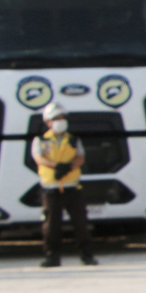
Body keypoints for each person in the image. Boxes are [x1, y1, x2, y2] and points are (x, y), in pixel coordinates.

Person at [32, 102, 96, 268]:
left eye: (62, 118)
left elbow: (80, 157)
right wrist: (56, 167)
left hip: (72, 188)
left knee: (81, 223)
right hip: (51, 190)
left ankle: (86, 255)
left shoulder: (74, 140)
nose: (60, 121)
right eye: (56, 119)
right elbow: (39, 158)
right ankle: (52, 256)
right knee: (51, 226)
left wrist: (68, 167)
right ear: (48, 122)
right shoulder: (41, 140)